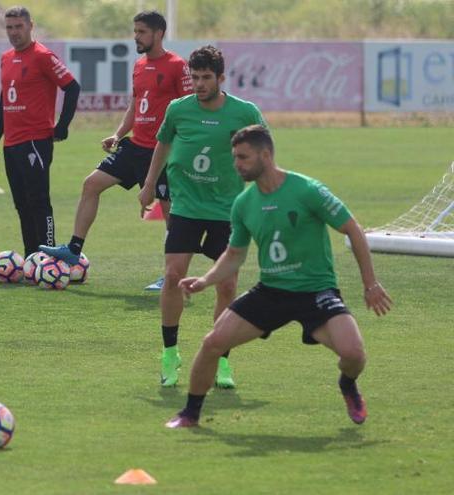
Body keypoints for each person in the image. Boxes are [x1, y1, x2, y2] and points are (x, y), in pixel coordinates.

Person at [165, 125, 393, 428]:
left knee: (354, 354)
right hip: (271, 292)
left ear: (266, 154)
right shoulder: (243, 204)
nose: (237, 165)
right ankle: (190, 414)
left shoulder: (307, 190)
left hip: (316, 291)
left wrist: (370, 284)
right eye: (234, 158)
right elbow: (235, 254)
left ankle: (347, 384)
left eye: (243, 158)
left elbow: (353, 228)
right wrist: (205, 280)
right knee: (212, 343)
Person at [138, 45, 267, 389]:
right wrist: (149, 184)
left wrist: (266, 192)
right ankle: (170, 353)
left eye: (206, 78)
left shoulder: (244, 112)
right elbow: (162, 144)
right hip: (186, 208)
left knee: (226, 284)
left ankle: (222, 358)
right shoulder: (178, 110)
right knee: (172, 275)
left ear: (221, 78)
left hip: (227, 210)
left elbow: (263, 151)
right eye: (194, 77)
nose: (199, 84)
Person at [39, 10, 191, 286]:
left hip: (162, 151)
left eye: (142, 32)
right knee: (91, 184)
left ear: (158, 33)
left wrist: (180, 149)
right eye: (135, 31)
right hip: (134, 148)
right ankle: (74, 250)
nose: (136, 37)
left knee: (169, 210)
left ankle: (172, 275)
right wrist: (119, 133)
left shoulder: (177, 65)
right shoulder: (139, 65)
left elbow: (188, 109)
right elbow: (135, 104)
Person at [0, 6, 80, 256]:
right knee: (21, 204)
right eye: (9, 27)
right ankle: (31, 257)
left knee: (39, 200)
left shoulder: (43, 56)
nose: (14, 32)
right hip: (12, 143)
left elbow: (72, 87)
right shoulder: (6, 58)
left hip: (36, 141)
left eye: (19, 26)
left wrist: (62, 126)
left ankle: (49, 255)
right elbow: (5, 98)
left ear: (30, 26)